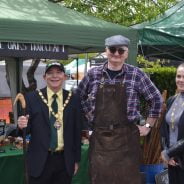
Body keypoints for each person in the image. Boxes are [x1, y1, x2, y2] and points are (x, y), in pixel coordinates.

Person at [76, 35, 163, 184]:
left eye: (121, 51)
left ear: (126, 53)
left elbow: (156, 99)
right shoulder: (93, 74)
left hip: (127, 142)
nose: (116, 54)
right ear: (106, 51)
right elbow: (77, 98)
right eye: (112, 49)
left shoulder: (136, 74)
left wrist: (148, 126)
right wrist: (90, 116)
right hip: (100, 142)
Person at [17, 62, 82, 184]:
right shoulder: (32, 98)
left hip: (65, 160)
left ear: (65, 76)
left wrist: (76, 160)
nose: (54, 76)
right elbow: (25, 131)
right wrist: (21, 126)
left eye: (58, 72)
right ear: (44, 77)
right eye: (50, 73)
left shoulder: (73, 99)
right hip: (40, 161)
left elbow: (77, 132)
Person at [161, 63, 184, 184]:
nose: (181, 80)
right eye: (178, 76)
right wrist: (166, 151)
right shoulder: (171, 100)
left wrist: (168, 153)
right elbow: (164, 130)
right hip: (172, 161)